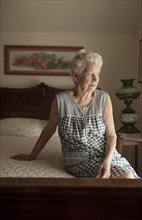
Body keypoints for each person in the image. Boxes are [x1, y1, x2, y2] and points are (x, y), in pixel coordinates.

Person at [12, 49, 139, 179]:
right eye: (90, 74)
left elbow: (111, 135)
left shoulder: (103, 99)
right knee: (126, 179)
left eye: (98, 74)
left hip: (108, 156)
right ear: (76, 76)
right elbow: (49, 130)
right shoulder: (61, 101)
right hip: (79, 160)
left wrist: (107, 160)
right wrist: (32, 155)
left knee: (131, 180)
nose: (96, 79)